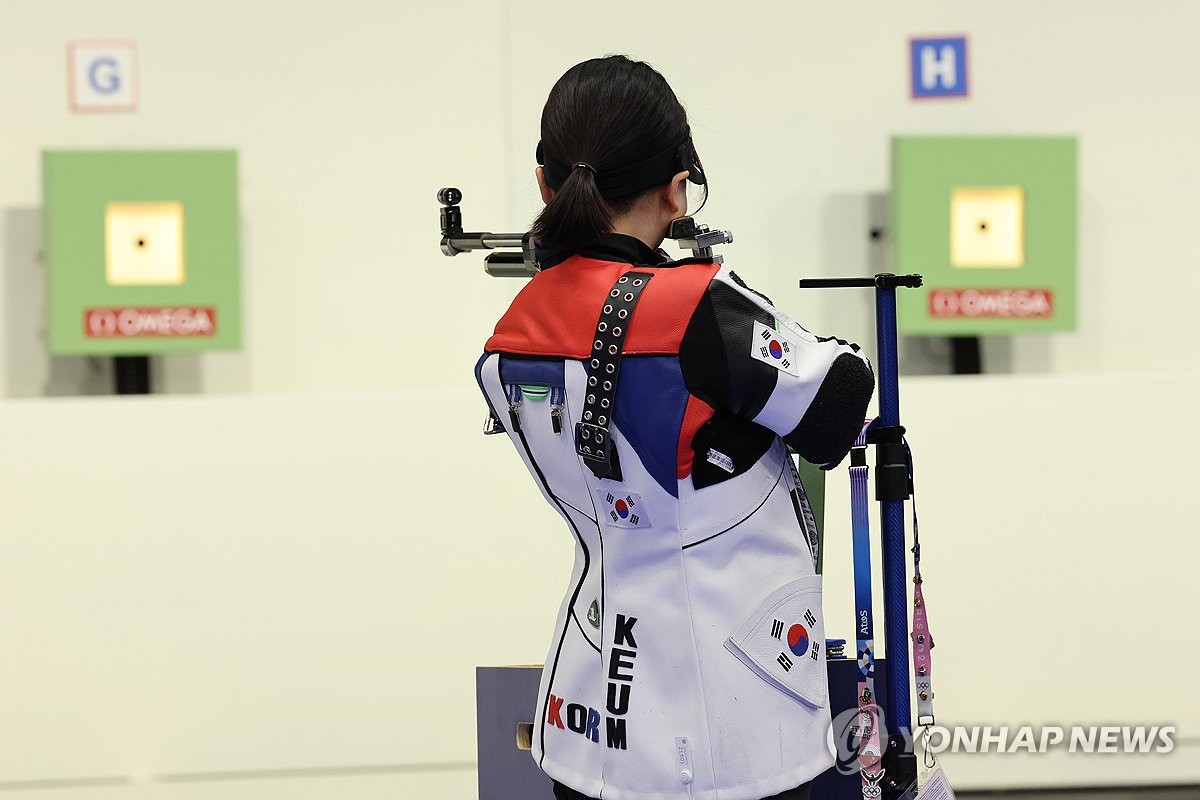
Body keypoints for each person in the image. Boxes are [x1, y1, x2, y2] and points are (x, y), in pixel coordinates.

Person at [475, 55, 874, 800]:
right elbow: (837, 406)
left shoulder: (512, 330)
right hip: (738, 731)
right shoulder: (691, 306)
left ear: (545, 186)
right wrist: (730, 295)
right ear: (675, 184)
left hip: (589, 715)